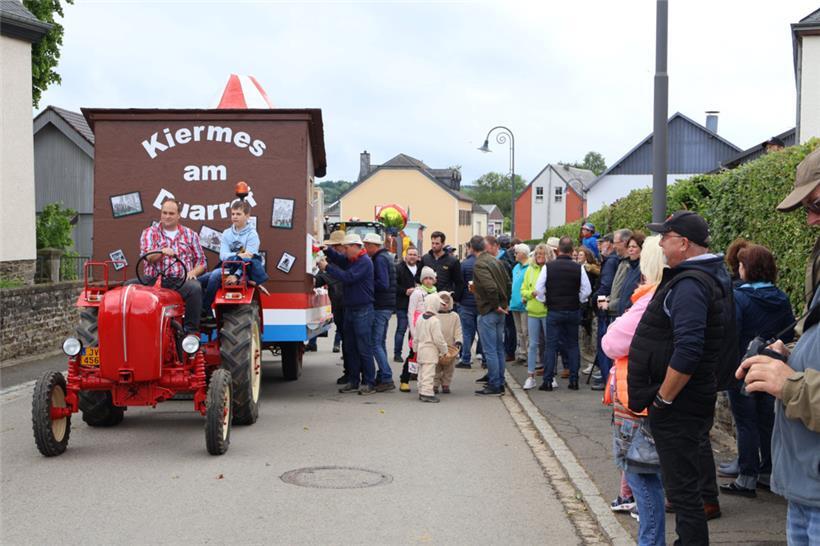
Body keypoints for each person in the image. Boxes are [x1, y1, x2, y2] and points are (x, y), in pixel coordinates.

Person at [628, 211, 737, 544]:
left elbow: (689, 350)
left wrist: (663, 398)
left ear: (684, 243)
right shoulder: (703, 277)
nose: (660, 242)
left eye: (666, 236)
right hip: (691, 399)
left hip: (680, 405)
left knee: (683, 493)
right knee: (684, 490)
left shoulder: (690, 284)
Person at [735, 147, 820, 545]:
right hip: (803, 487)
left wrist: (792, 385)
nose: (810, 219)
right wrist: (790, 350)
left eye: (816, 203)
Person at [603, 235, 666, 546]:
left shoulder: (650, 300)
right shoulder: (665, 296)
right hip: (648, 395)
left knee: (642, 475)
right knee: (648, 476)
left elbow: (612, 342)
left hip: (636, 399)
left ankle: (650, 542)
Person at [721, 244, 795, 498]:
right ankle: (767, 471)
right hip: (773, 366)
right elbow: (789, 331)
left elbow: (732, 332)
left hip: (743, 366)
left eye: (741, 265)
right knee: (767, 421)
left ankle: (746, 477)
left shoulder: (739, 297)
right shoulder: (781, 297)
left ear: (747, 269)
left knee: (745, 423)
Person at [318, 233, 377, 395]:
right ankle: (353, 380)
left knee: (363, 347)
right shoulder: (355, 260)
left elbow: (348, 277)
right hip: (351, 308)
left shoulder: (364, 262)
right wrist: (328, 251)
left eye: (346, 247)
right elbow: (341, 260)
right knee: (350, 347)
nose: (344, 251)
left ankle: (368, 382)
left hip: (362, 308)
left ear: (355, 247)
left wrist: (327, 267)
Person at [138, 197, 207, 334]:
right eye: (164, 213)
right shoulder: (149, 232)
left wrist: (192, 273)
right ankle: (136, 329)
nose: (167, 217)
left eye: (171, 213)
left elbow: (202, 262)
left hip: (179, 281)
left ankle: (190, 333)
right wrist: (162, 252)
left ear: (178, 215)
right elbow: (148, 257)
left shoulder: (190, 235)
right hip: (153, 281)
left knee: (195, 288)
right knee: (129, 287)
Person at [536, 236, 592, 391]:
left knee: (551, 346)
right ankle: (573, 380)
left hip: (554, 310)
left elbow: (539, 289)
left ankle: (547, 381)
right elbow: (587, 290)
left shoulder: (548, 267)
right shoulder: (578, 268)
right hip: (573, 310)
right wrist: (578, 300)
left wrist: (544, 300)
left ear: (558, 249)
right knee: (573, 345)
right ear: (572, 250)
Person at [200, 199, 267, 315]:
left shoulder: (252, 235)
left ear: (247, 216)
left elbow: (248, 259)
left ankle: (206, 308)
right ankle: (199, 307)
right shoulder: (227, 233)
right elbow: (223, 256)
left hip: (245, 270)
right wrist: (238, 255)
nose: (235, 217)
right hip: (227, 267)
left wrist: (236, 275)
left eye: (238, 214)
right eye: (233, 214)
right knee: (200, 280)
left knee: (215, 275)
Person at [471, 235, 511, 396]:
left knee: (491, 350)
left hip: (489, 310)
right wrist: (504, 303)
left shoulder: (480, 264)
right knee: (498, 349)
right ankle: (499, 381)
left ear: (472, 248)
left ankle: (495, 384)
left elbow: (491, 287)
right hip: (499, 309)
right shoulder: (496, 260)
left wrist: (496, 306)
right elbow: (508, 283)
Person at [363, 232, 397, 392]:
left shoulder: (380, 259)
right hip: (387, 305)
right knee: (380, 342)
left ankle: (386, 376)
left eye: (366, 245)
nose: (365, 248)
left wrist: (367, 284)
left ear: (372, 246)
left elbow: (383, 283)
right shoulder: (386, 257)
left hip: (381, 305)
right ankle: (384, 375)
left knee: (375, 343)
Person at [402, 266, 438, 392]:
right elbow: (411, 312)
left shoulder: (435, 293)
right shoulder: (417, 293)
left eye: (430, 278)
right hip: (417, 327)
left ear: (434, 280)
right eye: (426, 278)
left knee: (429, 355)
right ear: (422, 280)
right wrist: (413, 331)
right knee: (414, 354)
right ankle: (404, 379)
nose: (428, 281)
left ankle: (426, 382)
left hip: (431, 328)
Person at [521, 243, 551, 390]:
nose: (540, 257)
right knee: (533, 345)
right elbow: (523, 290)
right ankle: (530, 376)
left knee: (549, 344)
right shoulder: (529, 270)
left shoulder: (550, 269)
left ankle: (549, 375)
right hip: (532, 310)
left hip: (546, 311)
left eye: (542, 254)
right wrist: (529, 294)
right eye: (538, 254)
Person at [414, 292, 448, 403]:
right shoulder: (435, 321)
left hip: (420, 348)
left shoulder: (420, 318)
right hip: (430, 350)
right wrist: (444, 350)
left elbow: (416, 335)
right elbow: (438, 339)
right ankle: (427, 393)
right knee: (429, 373)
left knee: (421, 371)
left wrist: (415, 348)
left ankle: (421, 390)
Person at [457, 243, 483, 369]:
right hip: (481, 303)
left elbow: (460, 284)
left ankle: (466, 358)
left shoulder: (465, 264)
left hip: (466, 303)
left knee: (467, 333)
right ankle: (484, 358)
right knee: (482, 333)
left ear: (470, 248)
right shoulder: (484, 263)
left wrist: (458, 299)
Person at [395, 246, 421, 363]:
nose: (412, 257)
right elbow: (394, 285)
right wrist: (405, 291)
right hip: (402, 304)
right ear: (406, 256)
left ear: (417, 257)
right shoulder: (399, 268)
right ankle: (397, 353)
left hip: (417, 306)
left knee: (414, 330)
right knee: (401, 329)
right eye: (410, 254)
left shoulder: (420, 268)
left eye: (414, 255)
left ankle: (413, 353)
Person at [434, 291, 462, 394]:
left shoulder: (454, 316)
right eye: (442, 302)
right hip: (437, 346)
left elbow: (458, 329)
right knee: (436, 366)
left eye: (447, 302)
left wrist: (458, 340)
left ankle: (446, 384)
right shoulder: (435, 315)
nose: (445, 305)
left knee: (449, 367)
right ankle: (435, 384)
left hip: (451, 346)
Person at [421, 231, 463, 298]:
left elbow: (459, 282)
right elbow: (418, 277)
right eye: (432, 243)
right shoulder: (425, 258)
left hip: (445, 298)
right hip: (427, 298)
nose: (434, 246)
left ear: (443, 244)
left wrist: (454, 298)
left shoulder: (453, 261)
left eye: (437, 243)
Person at [510, 243, 531, 363]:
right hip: (515, 302)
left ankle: (529, 355)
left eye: (516, 253)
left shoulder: (529, 267)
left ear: (523, 254)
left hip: (524, 303)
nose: (515, 255)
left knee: (526, 330)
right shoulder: (516, 267)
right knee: (519, 331)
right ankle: (522, 353)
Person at [617, 232, 645, 316]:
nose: (630, 249)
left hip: (633, 316)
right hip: (623, 315)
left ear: (642, 249)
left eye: (634, 247)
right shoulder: (630, 268)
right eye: (629, 247)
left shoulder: (643, 270)